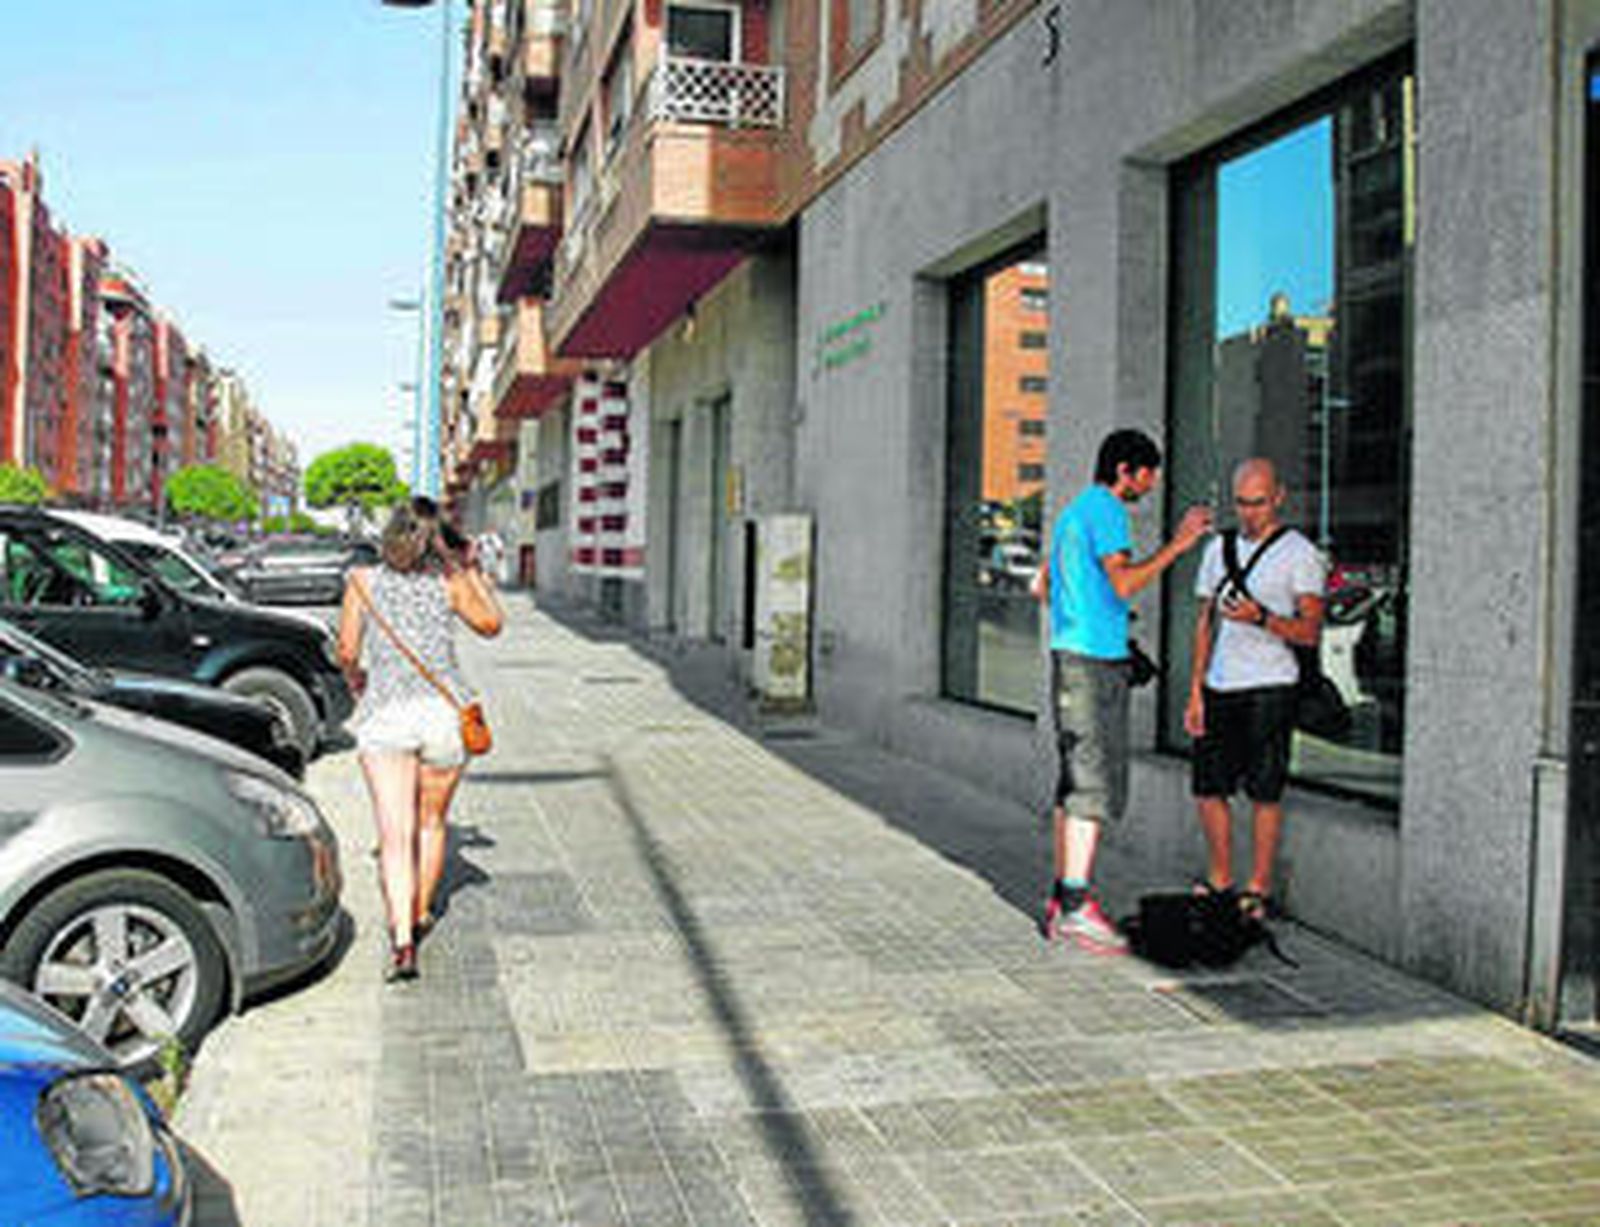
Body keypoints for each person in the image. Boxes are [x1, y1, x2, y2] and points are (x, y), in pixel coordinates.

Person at [1036, 429, 1213, 950]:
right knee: (1093, 783)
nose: (1150, 485)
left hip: (1074, 656)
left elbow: (1044, 585)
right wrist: (1181, 544)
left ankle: (1063, 896)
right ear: (1124, 472)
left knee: (1074, 782)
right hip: (1090, 665)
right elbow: (1123, 583)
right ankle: (1073, 908)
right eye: (1146, 475)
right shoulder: (1108, 512)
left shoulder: (1072, 514)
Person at [337, 496, 504, 981]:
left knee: (393, 837)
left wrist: (357, 679)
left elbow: (347, 651)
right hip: (444, 716)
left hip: (385, 717)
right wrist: (469, 568)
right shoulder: (448, 582)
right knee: (432, 825)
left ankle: (402, 943)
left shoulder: (361, 583)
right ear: (437, 541)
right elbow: (491, 624)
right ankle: (419, 911)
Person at [1184, 458, 1327, 922]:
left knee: (1264, 792)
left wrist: (1261, 617)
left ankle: (1258, 887)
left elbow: (1310, 631)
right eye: (1242, 503)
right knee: (1208, 788)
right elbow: (1203, 623)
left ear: (1278, 497)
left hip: (1271, 686)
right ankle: (1221, 878)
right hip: (1221, 682)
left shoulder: (1299, 554)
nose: (1250, 513)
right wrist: (1195, 691)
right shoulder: (1217, 549)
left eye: (1259, 503)